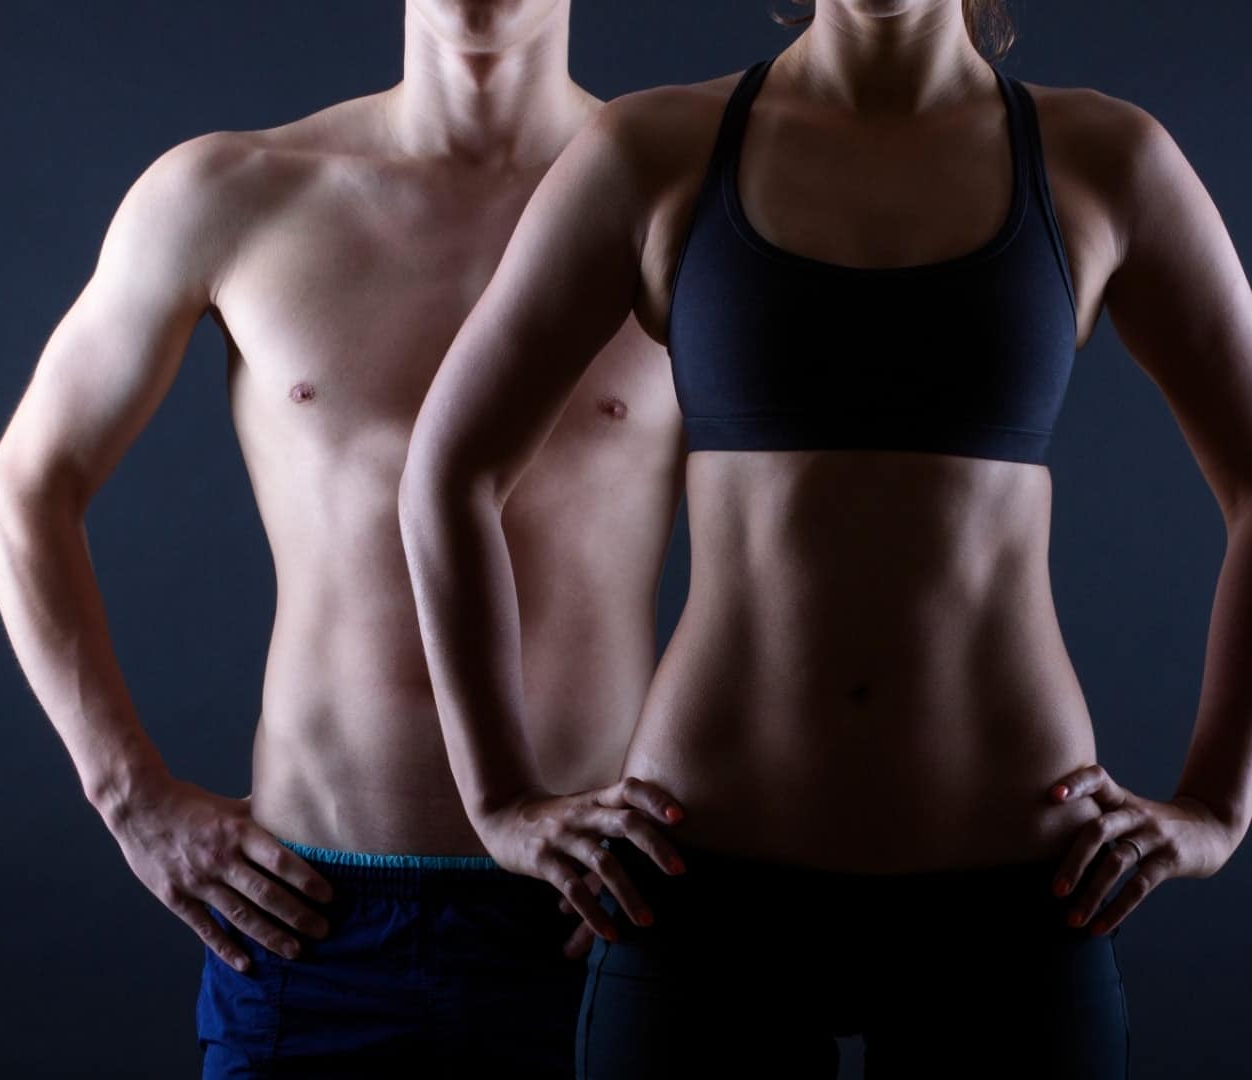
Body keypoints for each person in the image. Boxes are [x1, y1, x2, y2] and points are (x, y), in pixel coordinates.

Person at [399, 1, 1252, 1076]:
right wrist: (501, 801)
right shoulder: (653, 149)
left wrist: (1220, 804)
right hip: (702, 890)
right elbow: (447, 469)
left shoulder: (1104, 158)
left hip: (1013, 895)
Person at [0, 2, 689, 1076]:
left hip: (592, 914)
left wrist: (702, 804)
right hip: (309, 922)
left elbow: (799, 541)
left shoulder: (680, 212)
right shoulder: (234, 191)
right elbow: (22, 493)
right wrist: (130, 795)